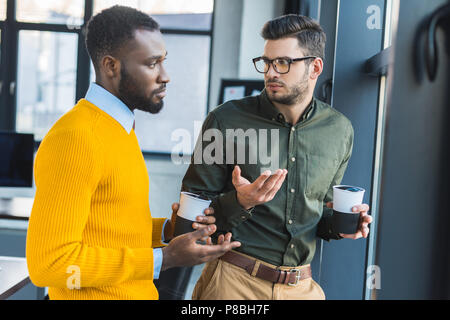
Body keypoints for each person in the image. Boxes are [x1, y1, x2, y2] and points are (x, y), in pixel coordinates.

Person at [25, 5, 240, 300]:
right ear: (111, 66)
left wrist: (168, 229)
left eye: (164, 61)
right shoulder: (76, 137)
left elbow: (110, 230)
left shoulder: (119, 129)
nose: (166, 76)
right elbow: (50, 264)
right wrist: (165, 259)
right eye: (152, 64)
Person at [182, 14, 372, 300]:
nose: (271, 72)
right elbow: (190, 216)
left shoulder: (339, 130)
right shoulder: (226, 120)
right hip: (234, 284)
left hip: (303, 288)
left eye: (283, 63)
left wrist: (343, 225)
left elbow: (317, 212)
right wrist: (241, 201)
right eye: (267, 62)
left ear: (314, 67)